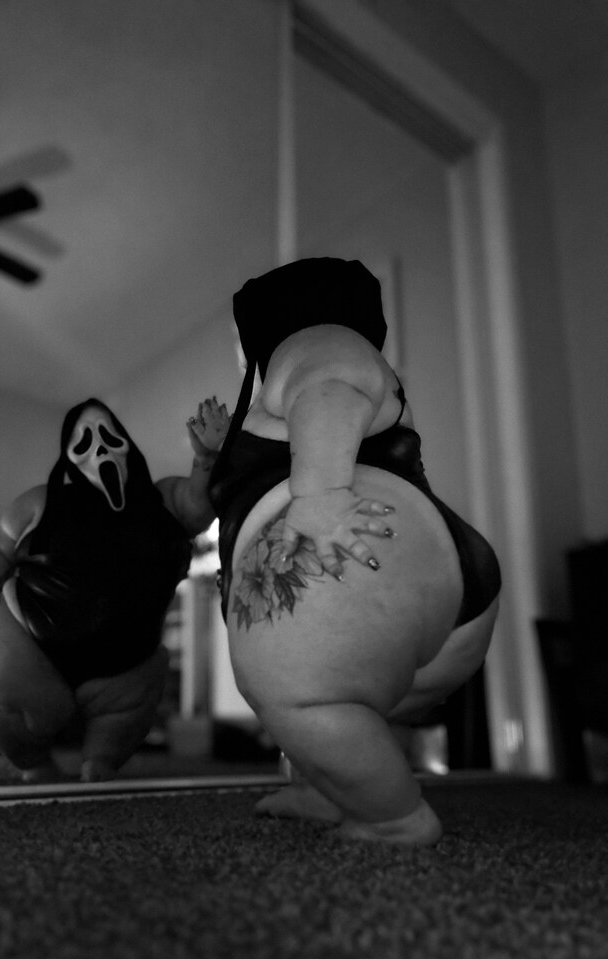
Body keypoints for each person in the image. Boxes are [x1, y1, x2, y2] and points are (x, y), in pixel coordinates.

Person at [208, 258, 501, 845]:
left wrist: (319, 498)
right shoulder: (288, 394)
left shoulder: (317, 341)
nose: (243, 357)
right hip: (423, 582)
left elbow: (333, 380)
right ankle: (330, 789)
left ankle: (394, 817)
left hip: (360, 571)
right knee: (352, 702)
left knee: (304, 694)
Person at [0, 395, 230, 781]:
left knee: (124, 719)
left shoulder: (164, 499)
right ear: (68, 456)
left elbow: (199, 506)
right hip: (29, 643)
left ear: (127, 442)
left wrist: (206, 458)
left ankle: (101, 761)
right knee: (8, 712)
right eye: (84, 441)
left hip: (128, 663)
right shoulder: (41, 501)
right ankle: (35, 766)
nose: (99, 449)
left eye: (109, 436)